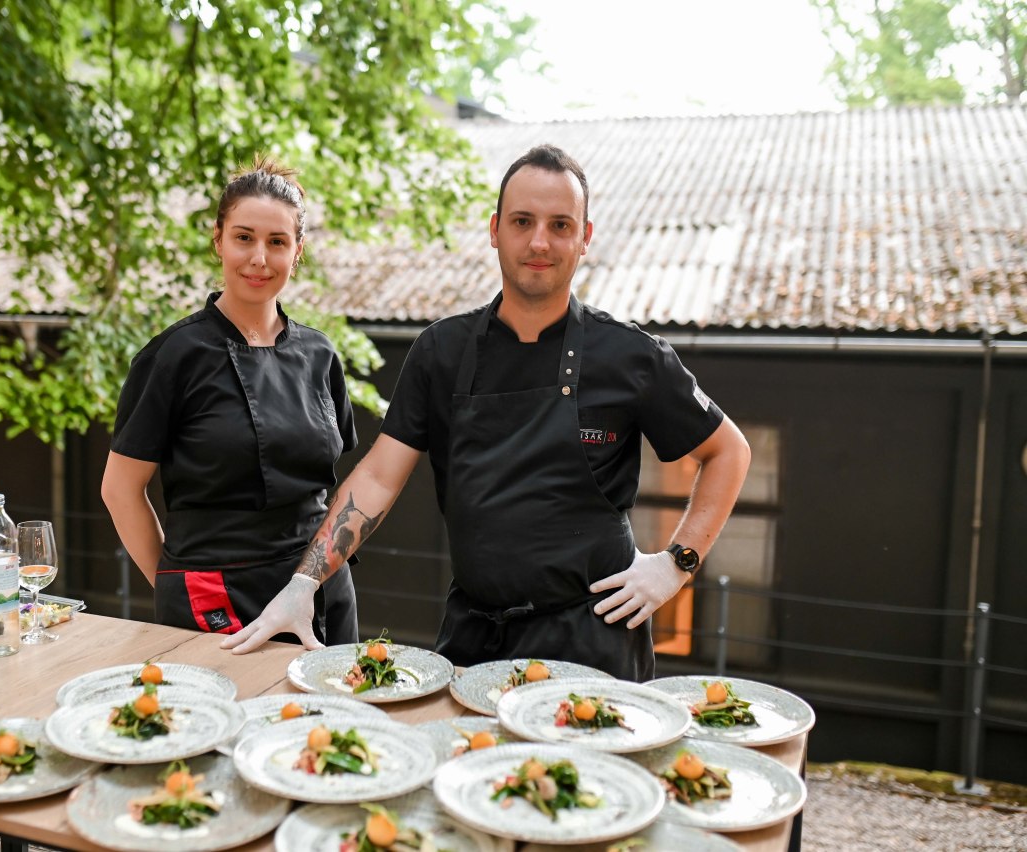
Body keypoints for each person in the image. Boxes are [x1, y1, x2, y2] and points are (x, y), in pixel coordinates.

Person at [222, 145, 750, 681]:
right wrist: (303, 584)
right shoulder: (441, 352)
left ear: (585, 238)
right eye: (523, 222)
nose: (539, 242)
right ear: (495, 229)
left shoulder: (632, 356)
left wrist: (676, 564)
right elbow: (379, 476)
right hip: (473, 641)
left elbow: (728, 450)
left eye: (560, 225)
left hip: (593, 644)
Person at [101, 156, 358, 644]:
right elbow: (119, 490)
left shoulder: (319, 353)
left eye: (277, 242)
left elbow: (332, 488)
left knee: (331, 719)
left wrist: (314, 574)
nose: (259, 258)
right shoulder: (173, 356)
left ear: (296, 252)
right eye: (244, 237)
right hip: (214, 597)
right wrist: (173, 585)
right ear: (218, 239)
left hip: (317, 588)